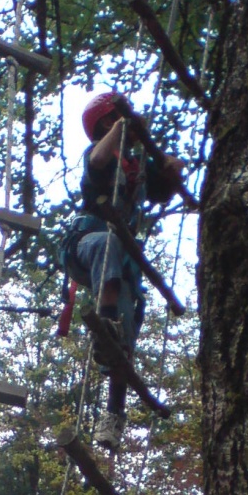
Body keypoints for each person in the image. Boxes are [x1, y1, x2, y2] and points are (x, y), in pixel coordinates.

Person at [58, 92, 182, 452]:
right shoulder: (98, 155)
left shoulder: (135, 166)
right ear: (106, 125)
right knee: (108, 244)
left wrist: (172, 167)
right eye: (114, 123)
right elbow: (97, 159)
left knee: (125, 337)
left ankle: (113, 416)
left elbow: (162, 188)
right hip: (85, 242)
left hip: (118, 258)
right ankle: (105, 317)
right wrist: (125, 125)